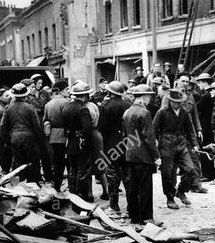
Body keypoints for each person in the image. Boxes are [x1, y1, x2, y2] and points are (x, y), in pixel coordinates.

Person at [153, 89, 199, 209]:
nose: (179, 104)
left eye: (181, 102)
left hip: (181, 145)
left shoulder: (184, 112)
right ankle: (170, 198)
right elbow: (153, 130)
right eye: (177, 102)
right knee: (168, 174)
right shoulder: (162, 112)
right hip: (166, 146)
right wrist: (156, 146)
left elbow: (190, 129)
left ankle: (181, 191)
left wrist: (194, 144)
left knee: (191, 170)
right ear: (171, 101)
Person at [161, 74, 207, 194]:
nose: (185, 83)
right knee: (173, 163)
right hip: (174, 134)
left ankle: (196, 185)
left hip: (188, 131)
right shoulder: (168, 97)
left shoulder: (190, 96)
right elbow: (163, 117)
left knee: (195, 158)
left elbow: (195, 114)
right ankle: (173, 189)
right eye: (183, 81)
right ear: (176, 81)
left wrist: (199, 129)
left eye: (187, 81)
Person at [122, 84, 161, 224]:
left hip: (130, 154)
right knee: (145, 188)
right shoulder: (145, 113)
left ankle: (134, 215)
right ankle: (146, 218)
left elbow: (125, 136)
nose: (150, 99)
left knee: (133, 187)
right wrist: (156, 156)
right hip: (143, 156)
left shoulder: (127, 112)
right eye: (149, 96)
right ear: (144, 97)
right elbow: (149, 138)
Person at [99, 81, 132, 212]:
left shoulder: (106, 107)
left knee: (112, 174)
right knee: (128, 174)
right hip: (128, 143)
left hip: (112, 145)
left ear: (110, 93)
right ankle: (131, 204)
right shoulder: (129, 105)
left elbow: (102, 128)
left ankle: (114, 204)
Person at [0, 83, 44, 183]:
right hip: (30, 138)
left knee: (18, 163)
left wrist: (7, 140)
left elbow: (3, 127)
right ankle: (33, 185)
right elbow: (36, 125)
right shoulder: (30, 107)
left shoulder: (8, 108)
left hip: (15, 138)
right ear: (25, 95)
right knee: (33, 162)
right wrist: (39, 139)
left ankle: (18, 185)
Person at [62, 81, 93, 200]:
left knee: (72, 170)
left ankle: (73, 193)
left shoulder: (67, 107)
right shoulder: (83, 109)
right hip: (81, 143)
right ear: (85, 96)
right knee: (83, 171)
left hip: (70, 142)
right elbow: (88, 128)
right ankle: (82, 196)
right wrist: (85, 141)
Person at [43, 80, 70, 192]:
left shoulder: (48, 104)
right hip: (65, 135)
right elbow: (68, 119)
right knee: (69, 162)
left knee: (58, 162)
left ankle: (57, 186)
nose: (68, 91)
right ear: (60, 90)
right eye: (67, 89)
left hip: (53, 136)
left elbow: (45, 120)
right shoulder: (66, 102)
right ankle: (71, 185)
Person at [196, 73, 215, 181]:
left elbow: (198, 107)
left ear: (204, 82)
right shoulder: (210, 94)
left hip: (205, 127)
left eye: (200, 83)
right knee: (209, 150)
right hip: (209, 126)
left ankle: (207, 174)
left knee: (205, 150)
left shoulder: (206, 96)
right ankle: (209, 173)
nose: (199, 85)